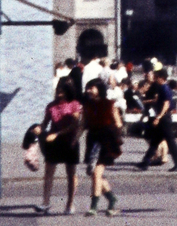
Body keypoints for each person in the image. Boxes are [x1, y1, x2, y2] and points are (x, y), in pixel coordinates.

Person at [39, 77, 83, 214]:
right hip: (54, 142)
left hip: (70, 141)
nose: (59, 93)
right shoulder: (51, 106)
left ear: (68, 91)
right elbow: (45, 123)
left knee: (71, 174)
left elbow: (75, 125)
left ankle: (70, 204)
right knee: (48, 172)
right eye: (58, 90)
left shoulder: (75, 105)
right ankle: (45, 202)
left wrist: (57, 134)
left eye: (62, 91)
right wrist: (37, 131)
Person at [82, 78, 123, 215]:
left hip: (106, 141)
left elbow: (118, 123)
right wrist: (74, 140)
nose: (89, 90)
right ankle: (111, 199)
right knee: (95, 174)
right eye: (88, 88)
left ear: (99, 89)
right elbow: (83, 124)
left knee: (96, 173)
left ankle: (94, 207)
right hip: (93, 140)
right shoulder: (87, 105)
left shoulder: (110, 104)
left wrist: (115, 137)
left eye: (91, 87)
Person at [138, 71, 177, 171]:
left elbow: (166, 104)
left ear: (161, 78)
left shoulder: (165, 88)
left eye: (156, 77)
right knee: (155, 140)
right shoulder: (161, 88)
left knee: (170, 141)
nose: (155, 79)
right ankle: (145, 162)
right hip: (163, 117)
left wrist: (158, 117)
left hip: (164, 119)